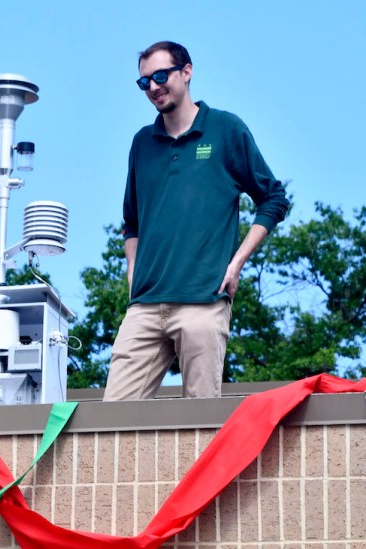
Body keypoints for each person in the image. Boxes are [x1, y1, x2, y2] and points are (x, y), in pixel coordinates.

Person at [103, 41, 289, 401]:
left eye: (161, 76)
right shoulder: (142, 143)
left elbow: (273, 198)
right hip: (144, 305)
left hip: (203, 302)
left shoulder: (225, 129)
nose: (154, 87)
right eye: (144, 82)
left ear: (186, 72)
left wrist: (235, 265)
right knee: (113, 421)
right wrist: (132, 272)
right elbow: (132, 223)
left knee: (201, 425)